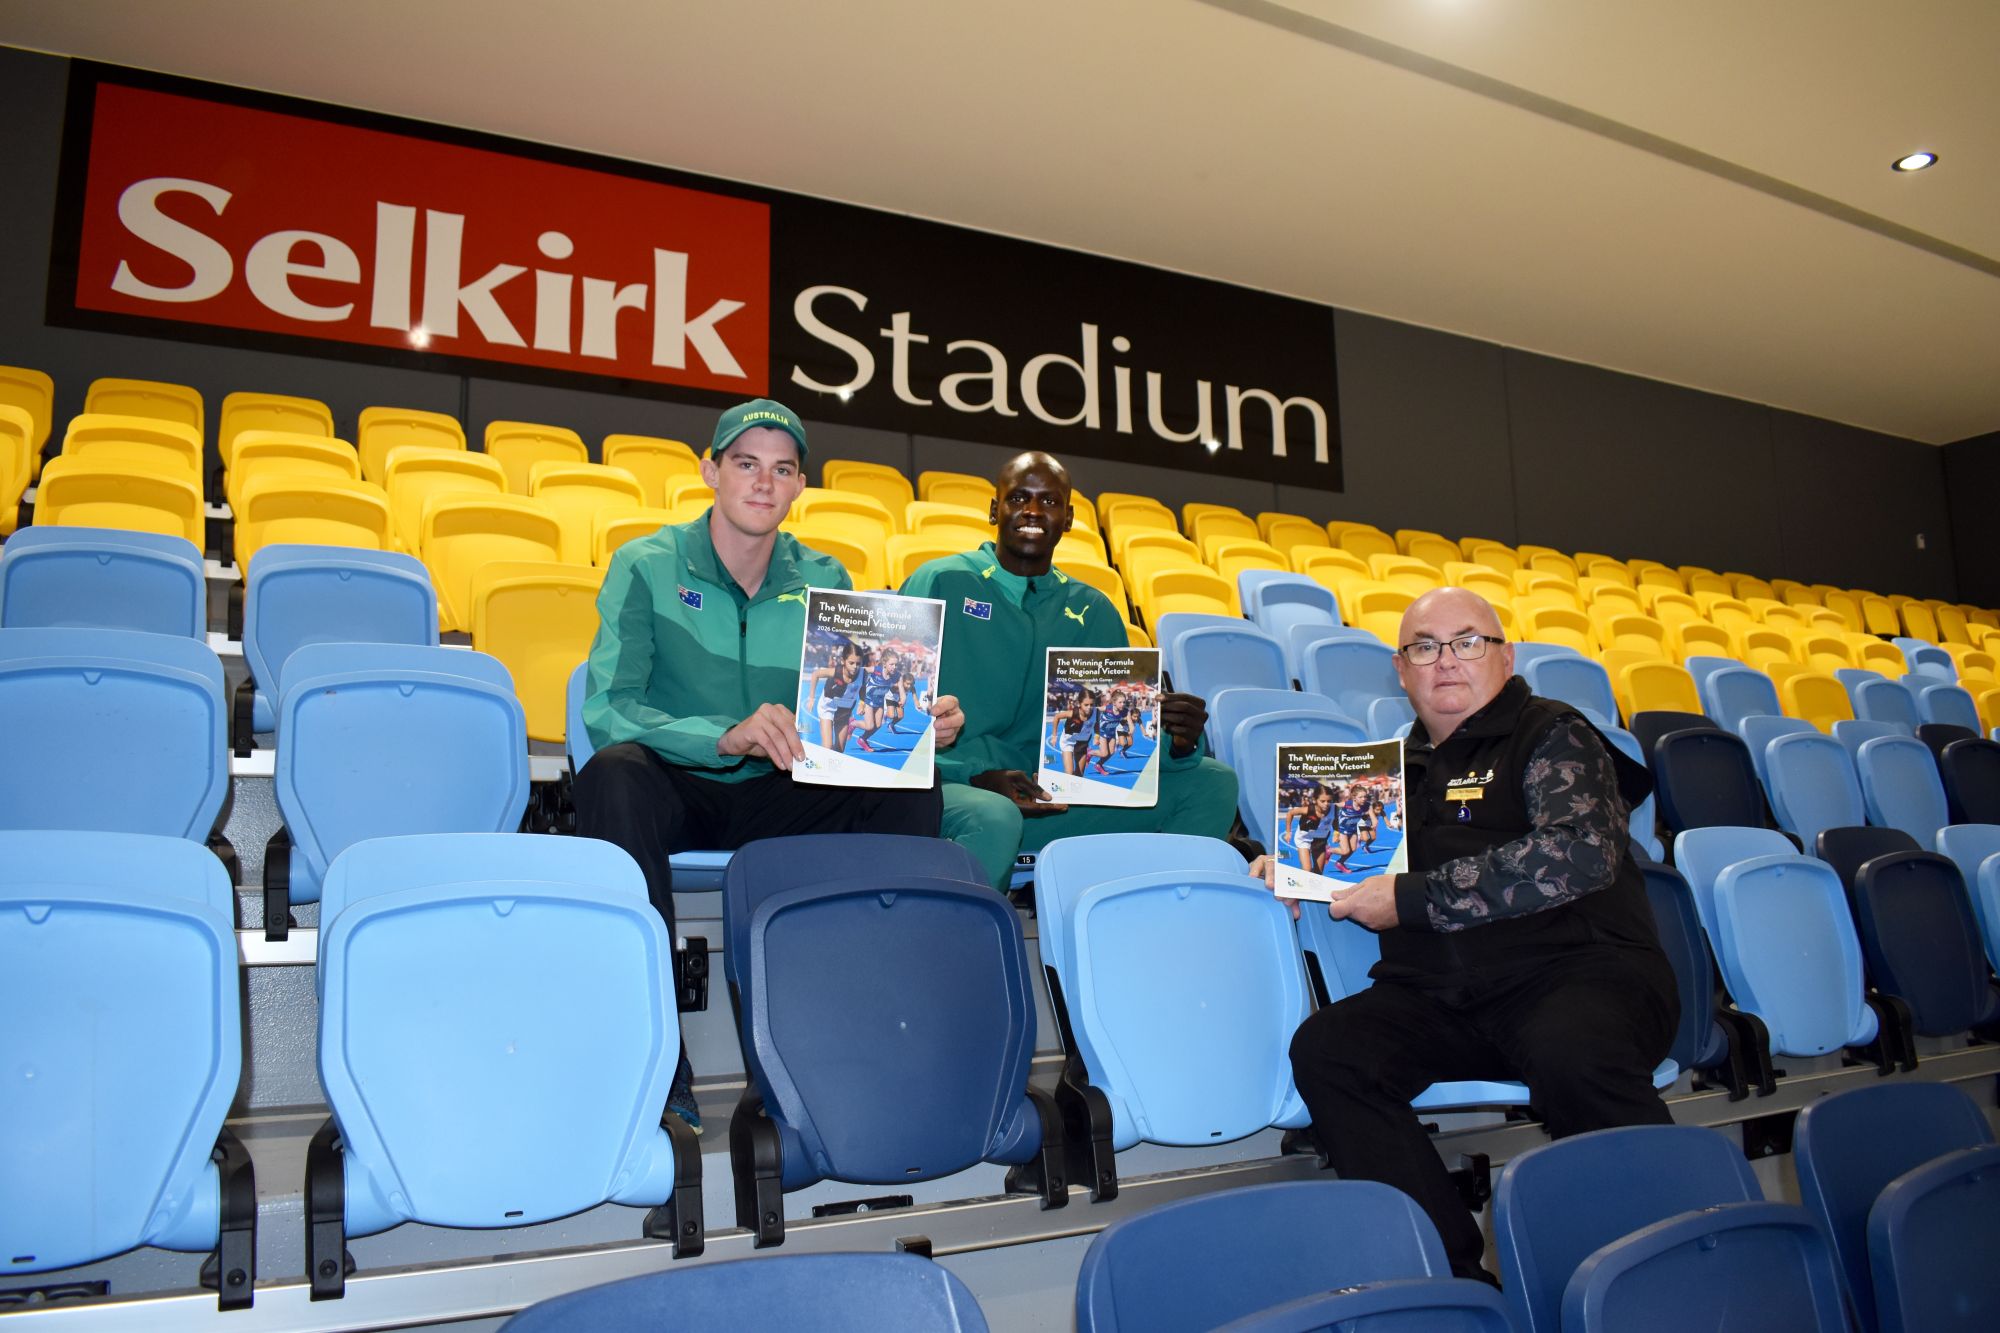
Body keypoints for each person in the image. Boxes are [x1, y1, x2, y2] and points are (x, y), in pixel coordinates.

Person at [572, 397, 965, 1129]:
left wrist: (918, 725)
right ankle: (658, 1064)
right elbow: (610, 709)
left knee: (911, 787)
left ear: (798, 487)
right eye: (746, 464)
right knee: (612, 774)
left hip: (786, 789)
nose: (762, 482)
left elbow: (857, 702)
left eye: (781, 469)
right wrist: (721, 735)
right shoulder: (647, 565)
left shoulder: (827, 575)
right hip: (683, 780)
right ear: (710, 471)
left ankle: (883, 1033)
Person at [1272, 586, 1677, 1284]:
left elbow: (1578, 852)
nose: (1446, 661)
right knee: (1332, 1050)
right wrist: (1288, 867)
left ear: (1505, 656)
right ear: (1401, 671)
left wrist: (1413, 896)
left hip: (1577, 972)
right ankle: (1450, 1278)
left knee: (1573, 1049)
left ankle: (1670, 1260)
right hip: (1445, 994)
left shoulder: (1555, 732)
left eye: (1467, 641)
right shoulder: (1389, 770)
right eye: (1424, 648)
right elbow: (1342, 862)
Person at [899, 451, 1239, 889]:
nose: (1034, 512)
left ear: (1070, 518)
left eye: (1050, 502)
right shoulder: (941, 580)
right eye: (1019, 497)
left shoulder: (1094, 608)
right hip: (957, 790)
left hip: (1058, 799)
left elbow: (1116, 741)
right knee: (994, 814)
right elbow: (891, 722)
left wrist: (1179, 743)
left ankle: (1160, 921)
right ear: (994, 509)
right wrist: (976, 776)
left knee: (1212, 781)